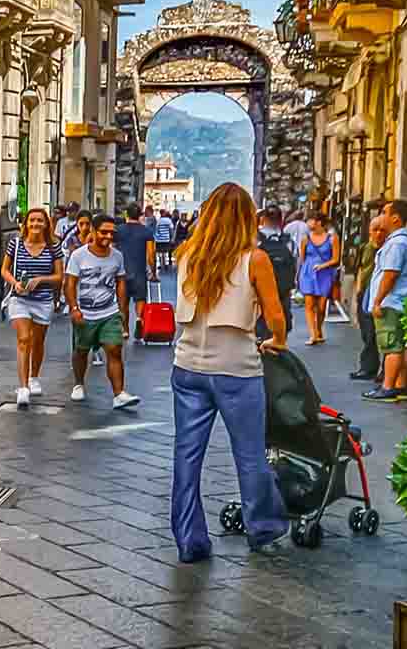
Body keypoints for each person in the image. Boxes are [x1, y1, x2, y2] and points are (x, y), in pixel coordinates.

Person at [169, 182, 289, 562]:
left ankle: (189, 540)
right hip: (237, 369)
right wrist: (278, 340)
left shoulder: (187, 254)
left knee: (187, 456)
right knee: (250, 454)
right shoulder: (255, 259)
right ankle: (263, 527)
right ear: (246, 218)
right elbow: (275, 314)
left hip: (188, 365)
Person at [66, 213, 138, 410]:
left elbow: (120, 282)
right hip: (85, 313)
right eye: (104, 232)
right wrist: (74, 308)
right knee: (81, 351)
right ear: (94, 231)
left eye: (111, 233)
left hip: (109, 312)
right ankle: (79, 384)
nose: (108, 236)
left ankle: (119, 394)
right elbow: (70, 283)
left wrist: (122, 311)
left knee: (114, 349)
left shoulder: (117, 256)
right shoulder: (78, 255)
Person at [1, 208, 64, 409]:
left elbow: (59, 277)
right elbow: (5, 270)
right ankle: (23, 387)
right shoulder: (16, 244)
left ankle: (34, 376)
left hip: (43, 301)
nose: (35, 224)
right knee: (24, 339)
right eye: (32, 220)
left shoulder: (54, 246)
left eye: (40, 220)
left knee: (38, 342)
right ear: (26, 224)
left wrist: (40, 279)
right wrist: (15, 283)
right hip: (20, 299)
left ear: (46, 224)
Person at [364, 198, 407, 402]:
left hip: (391, 301)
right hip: (402, 300)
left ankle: (387, 387)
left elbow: (390, 274)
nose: (381, 217)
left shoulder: (397, 243)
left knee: (391, 346)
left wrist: (377, 301)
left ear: (395, 218)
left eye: (384, 213)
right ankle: (401, 385)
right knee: (402, 345)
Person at [350, 210, 388, 382]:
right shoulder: (365, 247)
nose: (378, 233)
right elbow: (360, 268)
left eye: (382, 230)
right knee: (367, 332)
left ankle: (377, 370)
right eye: (375, 230)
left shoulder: (388, 249)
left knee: (377, 334)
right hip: (365, 292)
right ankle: (368, 367)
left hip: (380, 293)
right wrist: (358, 291)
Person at [296, 209, 341, 346]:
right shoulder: (305, 239)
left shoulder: (332, 238)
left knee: (321, 306)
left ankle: (318, 329)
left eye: (310, 220)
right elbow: (302, 258)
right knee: (309, 304)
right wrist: (299, 274)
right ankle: (313, 334)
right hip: (308, 273)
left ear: (319, 222)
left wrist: (323, 265)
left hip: (325, 274)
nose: (307, 223)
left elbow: (336, 259)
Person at [255, 206, 297, 344]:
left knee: (260, 330)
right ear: (281, 220)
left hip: (258, 294)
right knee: (281, 329)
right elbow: (296, 262)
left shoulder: (255, 240)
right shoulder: (288, 241)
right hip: (283, 293)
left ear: (263, 219)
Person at [115, 204, 156, 341]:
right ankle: (139, 318)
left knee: (123, 303)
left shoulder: (118, 230)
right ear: (140, 215)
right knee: (140, 299)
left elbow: (111, 248)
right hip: (139, 272)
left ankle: (125, 329)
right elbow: (151, 255)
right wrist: (153, 272)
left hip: (122, 272)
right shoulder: (146, 231)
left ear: (127, 214)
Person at [153, 207, 175, 273]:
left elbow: (156, 230)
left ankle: (161, 264)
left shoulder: (158, 221)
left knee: (160, 252)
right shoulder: (168, 220)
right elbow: (171, 229)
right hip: (166, 239)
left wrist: (156, 237)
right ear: (164, 213)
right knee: (165, 252)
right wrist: (172, 238)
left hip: (159, 239)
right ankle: (165, 264)